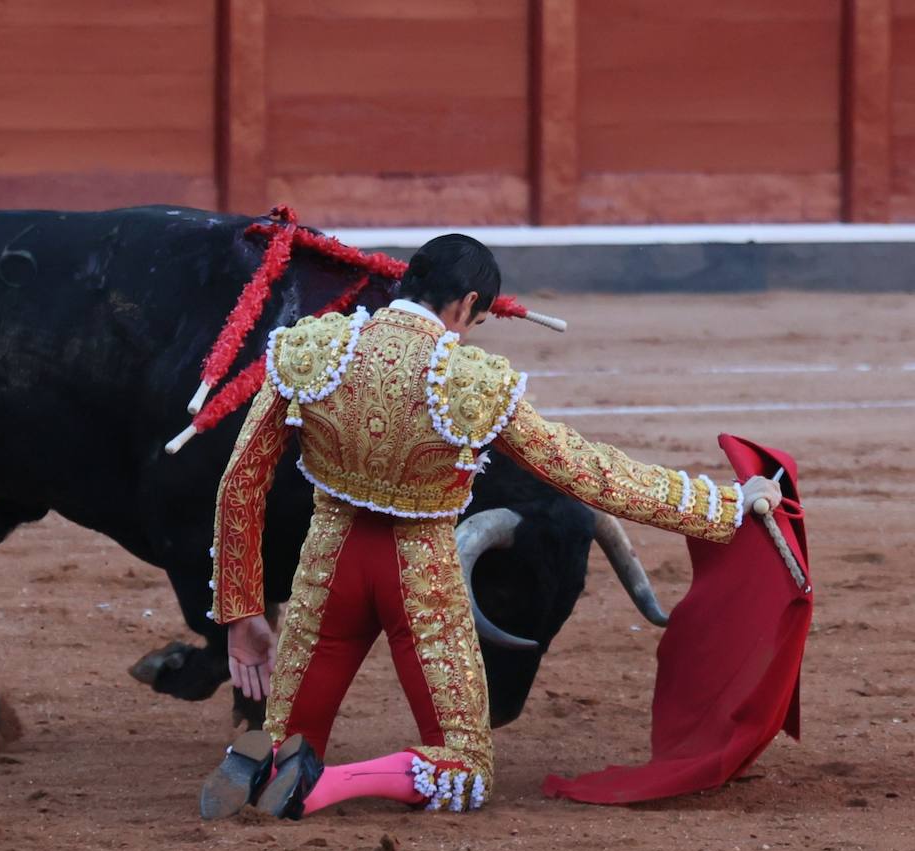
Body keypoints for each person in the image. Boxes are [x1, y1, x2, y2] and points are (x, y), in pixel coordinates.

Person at [198, 234, 782, 820]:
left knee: (290, 735)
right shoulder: (469, 382)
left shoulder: (311, 348)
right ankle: (321, 786)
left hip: (327, 569)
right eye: (475, 320)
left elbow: (240, 483)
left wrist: (242, 612)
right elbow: (584, 473)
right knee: (466, 766)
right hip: (418, 577)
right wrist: (720, 506)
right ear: (466, 303)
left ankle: (270, 760)